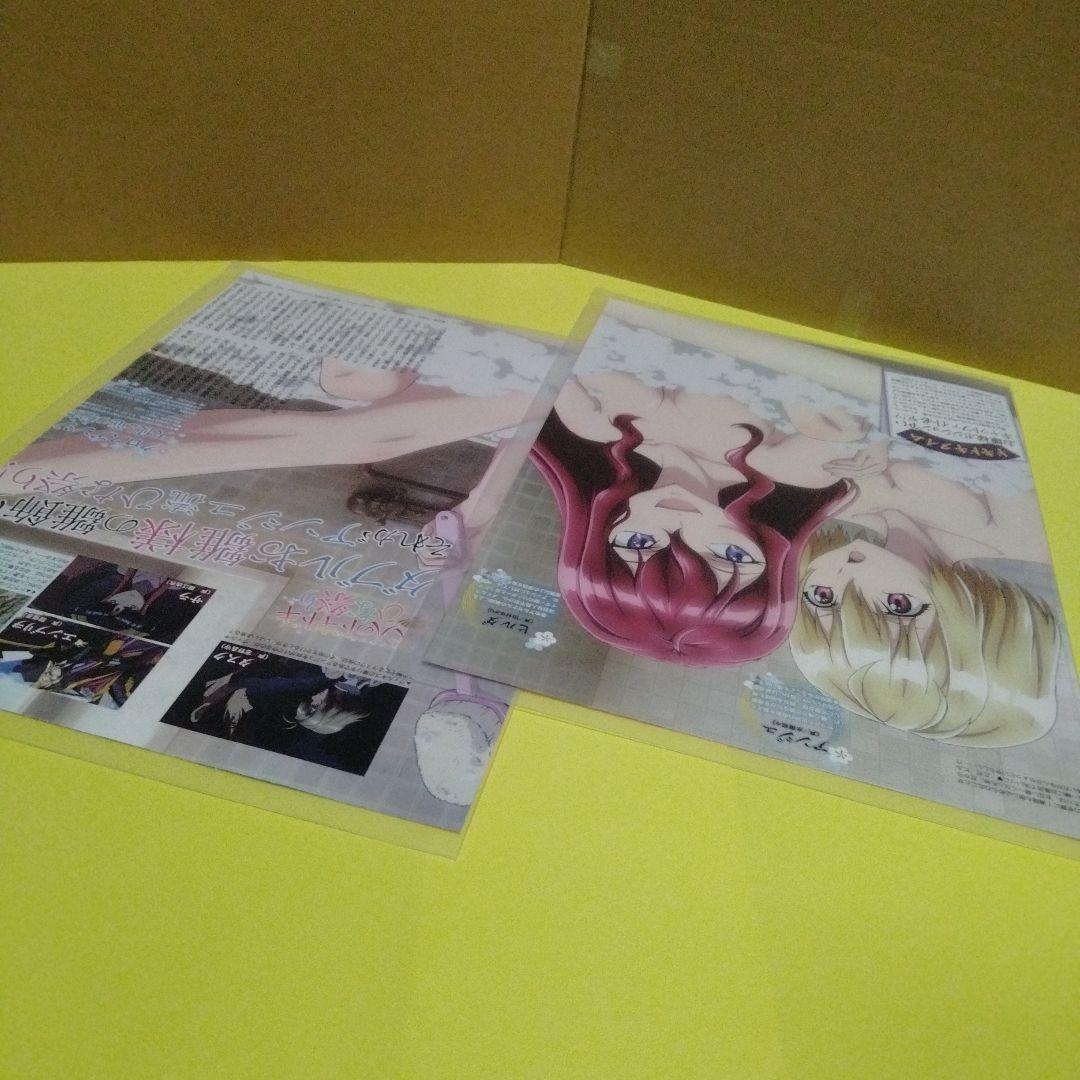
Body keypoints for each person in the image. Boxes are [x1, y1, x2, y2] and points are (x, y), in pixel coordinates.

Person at [530, 371, 869, 664]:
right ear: (766, 555)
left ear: (599, 536)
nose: (680, 524)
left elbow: (565, 347)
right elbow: (842, 409)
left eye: (640, 541)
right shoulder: (795, 470)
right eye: (729, 554)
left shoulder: (597, 427)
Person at [790, 442, 1061, 746]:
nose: (846, 576)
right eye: (898, 605)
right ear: (983, 623)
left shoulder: (833, 508)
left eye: (823, 597)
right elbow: (1014, 448)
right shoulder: (1021, 538)